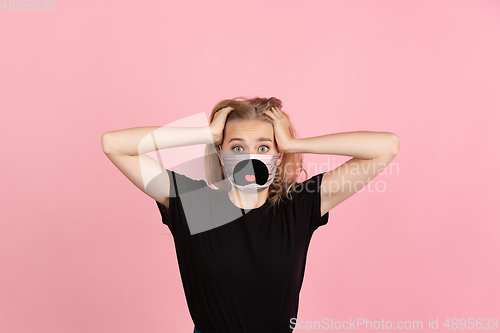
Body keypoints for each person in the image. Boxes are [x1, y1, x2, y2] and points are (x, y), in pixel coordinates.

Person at [101, 97, 400, 333]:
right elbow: (114, 145)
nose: (250, 158)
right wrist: (205, 133)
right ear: (220, 152)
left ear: (277, 153)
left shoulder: (298, 205)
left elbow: (386, 147)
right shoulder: (194, 203)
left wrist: (294, 144)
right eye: (237, 147)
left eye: (263, 147)